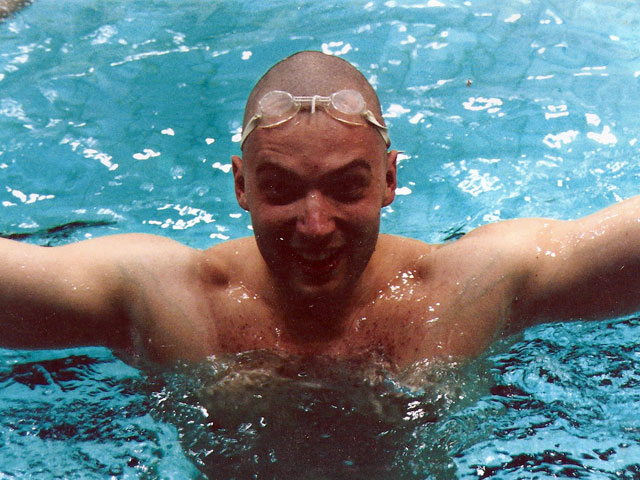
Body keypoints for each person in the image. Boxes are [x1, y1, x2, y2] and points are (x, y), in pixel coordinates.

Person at [1, 50, 639, 368]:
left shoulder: (474, 288)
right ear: (241, 187)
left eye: (347, 187)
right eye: (280, 189)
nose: (315, 223)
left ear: (389, 181)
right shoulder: (168, 301)